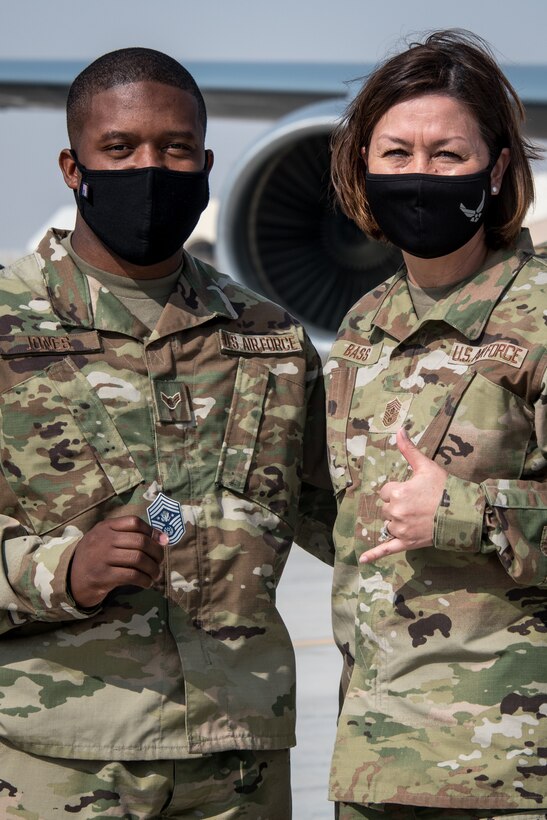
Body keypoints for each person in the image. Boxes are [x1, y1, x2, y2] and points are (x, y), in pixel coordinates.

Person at [0, 47, 335, 819]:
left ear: (206, 162)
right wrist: (60, 570)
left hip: (238, 764)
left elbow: (344, 520)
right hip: (61, 763)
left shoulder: (270, 340)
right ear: (72, 166)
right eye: (118, 149)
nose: (149, 168)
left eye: (174, 149)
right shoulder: (10, 328)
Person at [326, 29, 547, 819]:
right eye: (395, 154)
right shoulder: (364, 326)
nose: (417, 176)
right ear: (363, 167)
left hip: (513, 778)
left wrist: (464, 512)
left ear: (495, 170)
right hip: (376, 772)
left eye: (446, 155)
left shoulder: (540, 318)